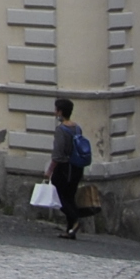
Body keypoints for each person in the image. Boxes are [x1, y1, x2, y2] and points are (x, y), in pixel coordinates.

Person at [47, 97, 88, 239]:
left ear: (60, 112)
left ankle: (75, 220)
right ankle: (70, 230)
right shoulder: (77, 128)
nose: (55, 112)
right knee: (70, 196)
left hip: (64, 167)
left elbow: (58, 153)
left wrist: (50, 170)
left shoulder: (61, 130)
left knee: (59, 197)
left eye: (56, 110)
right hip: (77, 167)